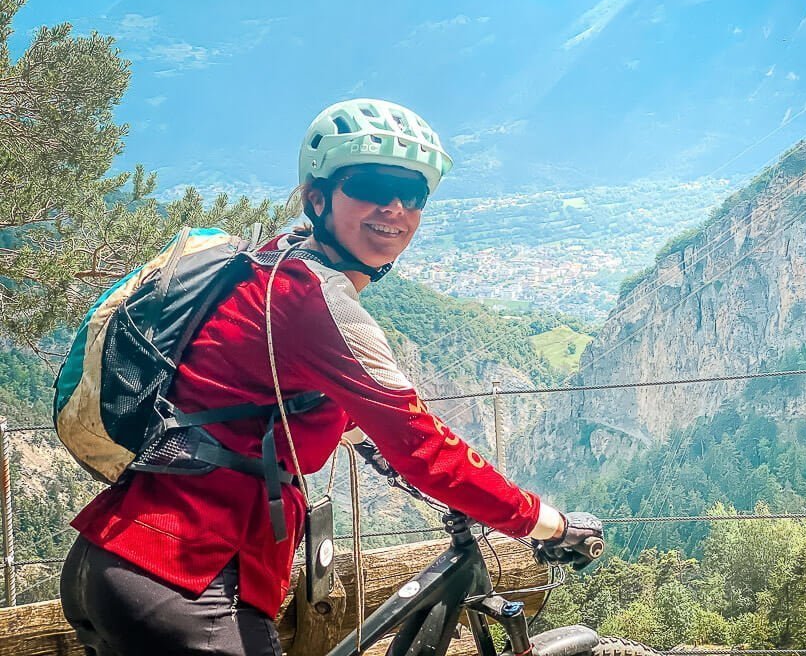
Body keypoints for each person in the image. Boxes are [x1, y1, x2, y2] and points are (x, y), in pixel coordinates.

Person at [59, 98, 603, 656]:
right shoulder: (312, 301)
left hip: (112, 562)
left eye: (412, 194)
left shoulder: (274, 262)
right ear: (316, 197)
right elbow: (425, 448)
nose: (393, 207)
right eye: (370, 184)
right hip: (184, 578)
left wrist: (369, 440)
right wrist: (546, 523)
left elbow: (272, 396)